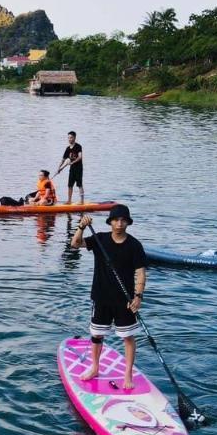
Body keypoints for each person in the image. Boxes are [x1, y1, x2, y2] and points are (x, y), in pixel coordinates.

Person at [70, 204, 147, 391]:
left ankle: (127, 373)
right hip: (101, 297)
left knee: (127, 337)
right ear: (110, 222)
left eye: (123, 220)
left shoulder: (134, 245)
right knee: (96, 335)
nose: (119, 224)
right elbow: (75, 244)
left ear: (128, 223)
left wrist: (138, 296)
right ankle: (95, 367)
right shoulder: (100, 239)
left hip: (125, 300)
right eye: (116, 220)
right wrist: (80, 226)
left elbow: (141, 272)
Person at [56, 131, 84, 204]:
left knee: (79, 185)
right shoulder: (68, 149)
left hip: (78, 168)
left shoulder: (78, 146)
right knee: (70, 185)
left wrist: (72, 162)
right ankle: (69, 201)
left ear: (74, 138)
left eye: (71, 137)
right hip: (72, 169)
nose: (69, 139)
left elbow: (80, 157)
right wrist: (59, 168)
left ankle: (82, 201)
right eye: (68, 138)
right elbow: (63, 160)